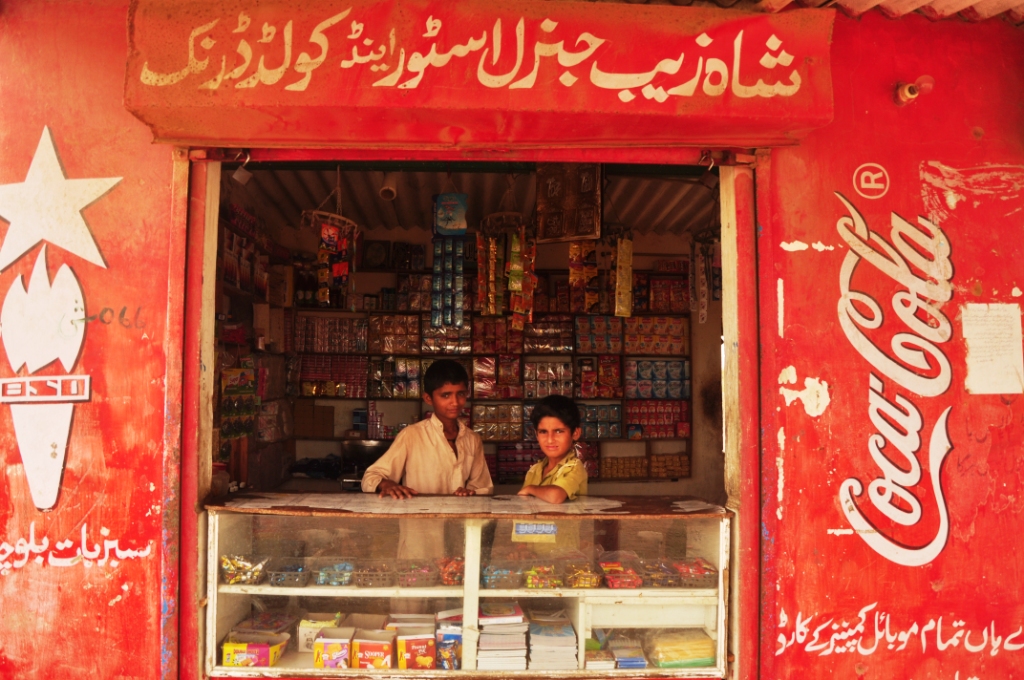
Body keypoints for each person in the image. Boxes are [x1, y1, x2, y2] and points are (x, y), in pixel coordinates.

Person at [361, 359, 493, 499]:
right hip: (419, 512)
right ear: (428, 398)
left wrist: (471, 493)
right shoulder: (411, 435)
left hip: (460, 513)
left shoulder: (473, 439)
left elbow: (482, 487)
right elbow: (371, 477)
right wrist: (387, 484)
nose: (455, 402)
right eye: (446, 395)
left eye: (460, 394)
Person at [517, 395, 588, 504]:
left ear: (575, 433)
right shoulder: (535, 470)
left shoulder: (574, 467)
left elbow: (555, 496)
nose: (550, 440)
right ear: (536, 435)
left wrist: (530, 488)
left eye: (559, 431)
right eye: (543, 432)